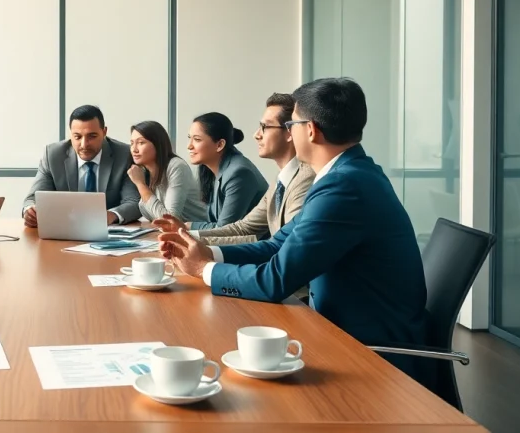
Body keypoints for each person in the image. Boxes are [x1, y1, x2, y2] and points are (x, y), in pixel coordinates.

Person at [157, 78, 429, 382]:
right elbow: (276, 246)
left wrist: (203, 270)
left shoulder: (343, 186)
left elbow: (276, 279)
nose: (289, 132)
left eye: (292, 124)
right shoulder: (346, 175)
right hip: (336, 328)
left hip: (366, 350)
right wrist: (211, 254)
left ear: (310, 130)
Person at [154, 93, 314, 246]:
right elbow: (243, 227)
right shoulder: (280, 180)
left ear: (290, 132)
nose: (256, 135)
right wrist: (186, 234)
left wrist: (187, 234)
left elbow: (284, 247)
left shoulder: (304, 180)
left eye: (265, 127)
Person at [22, 105, 141, 227]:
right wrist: (30, 211)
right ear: (70, 134)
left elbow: (134, 202)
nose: (84, 144)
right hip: (64, 230)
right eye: (77, 137)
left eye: (92, 136)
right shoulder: (53, 155)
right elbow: (32, 198)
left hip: (108, 235)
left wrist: (110, 215)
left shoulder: (124, 154)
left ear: (104, 132)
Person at [187, 112, 268, 230]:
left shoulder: (239, 173)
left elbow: (224, 229)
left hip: (252, 245)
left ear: (219, 145)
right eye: (190, 138)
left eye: (197, 139)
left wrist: (188, 226)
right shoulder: (209, 169)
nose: (189, 146)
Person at [126, 120, 206, 222]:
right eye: (132, 143)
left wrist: (141, 185)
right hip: (171, 233)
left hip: (198, 233)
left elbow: (170, 220)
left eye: (141, 142)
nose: (134, 149)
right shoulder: (143, 172)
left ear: (158, 144)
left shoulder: (176, 166)